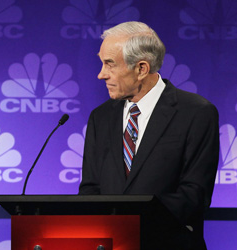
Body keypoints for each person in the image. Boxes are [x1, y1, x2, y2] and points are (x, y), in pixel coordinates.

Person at [79, 21, 219, 249]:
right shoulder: (100, 117)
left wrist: (131, 220)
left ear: (141, 69)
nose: (101, 74)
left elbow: (194, 195)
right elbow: (90, 189)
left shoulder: (196, 112)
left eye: (110, 64)